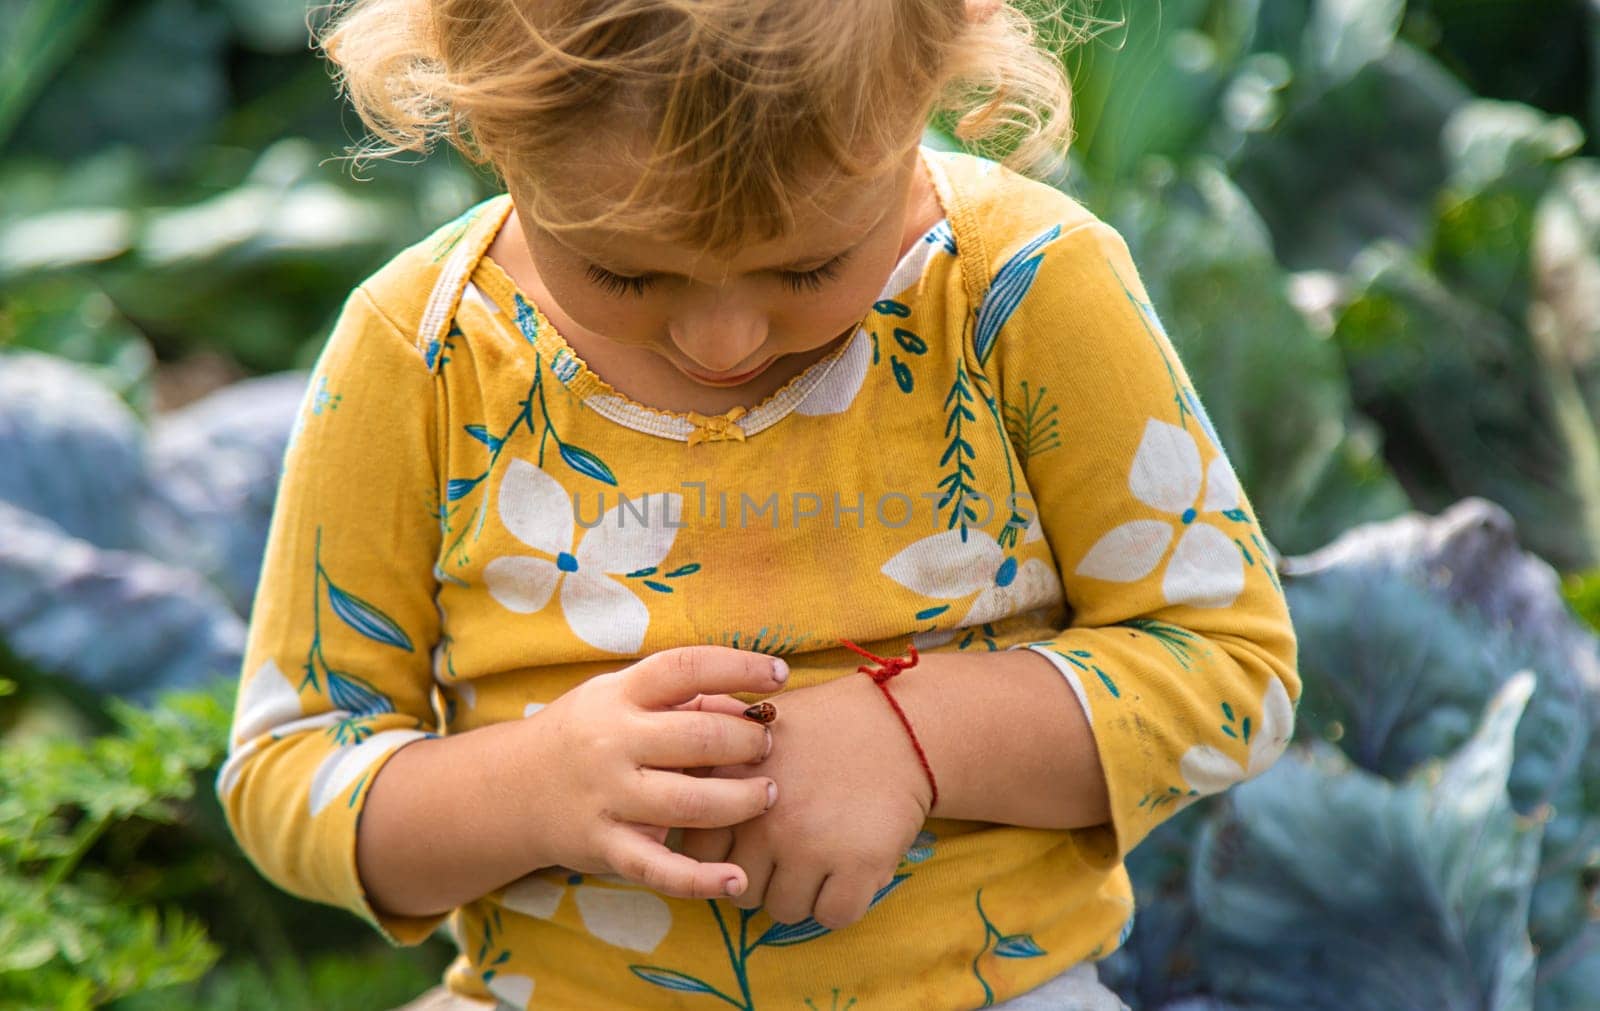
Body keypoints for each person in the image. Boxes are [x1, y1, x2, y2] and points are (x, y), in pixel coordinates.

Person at [216, 1, 1301, 1007]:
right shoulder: (425, 352)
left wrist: (916, 738)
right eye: (625, 276)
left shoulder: (1015, 289)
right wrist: (530, 788)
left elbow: (1228, 669)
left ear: (932, 76)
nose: (721, 342)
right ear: (485, 122)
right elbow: (288, 770)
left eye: (809, 265)